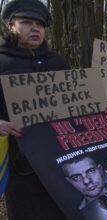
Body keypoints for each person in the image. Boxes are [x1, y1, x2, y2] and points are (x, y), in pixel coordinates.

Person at [0, 0, 68, 219]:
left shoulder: (58, 62)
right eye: (26, 22)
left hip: (62, 162)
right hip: (19, 166)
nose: (35, 28)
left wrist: (100, 104)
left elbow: (76, 106)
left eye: (39, 24)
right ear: (11, 25)